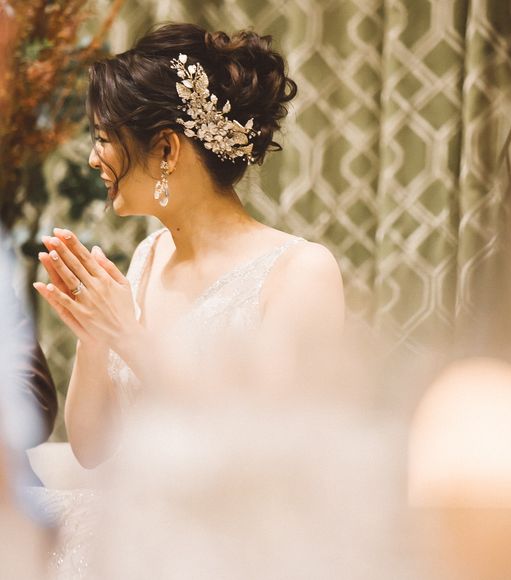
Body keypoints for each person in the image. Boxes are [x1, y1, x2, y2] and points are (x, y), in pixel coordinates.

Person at [31, 23, 345, 577]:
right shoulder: (147, 257)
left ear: (166, 148)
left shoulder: (301, 272)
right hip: (126, 527)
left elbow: (268, 457)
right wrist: (94, 338)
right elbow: (91, 450)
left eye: (104, 138)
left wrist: (130, 337)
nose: (94, 158)